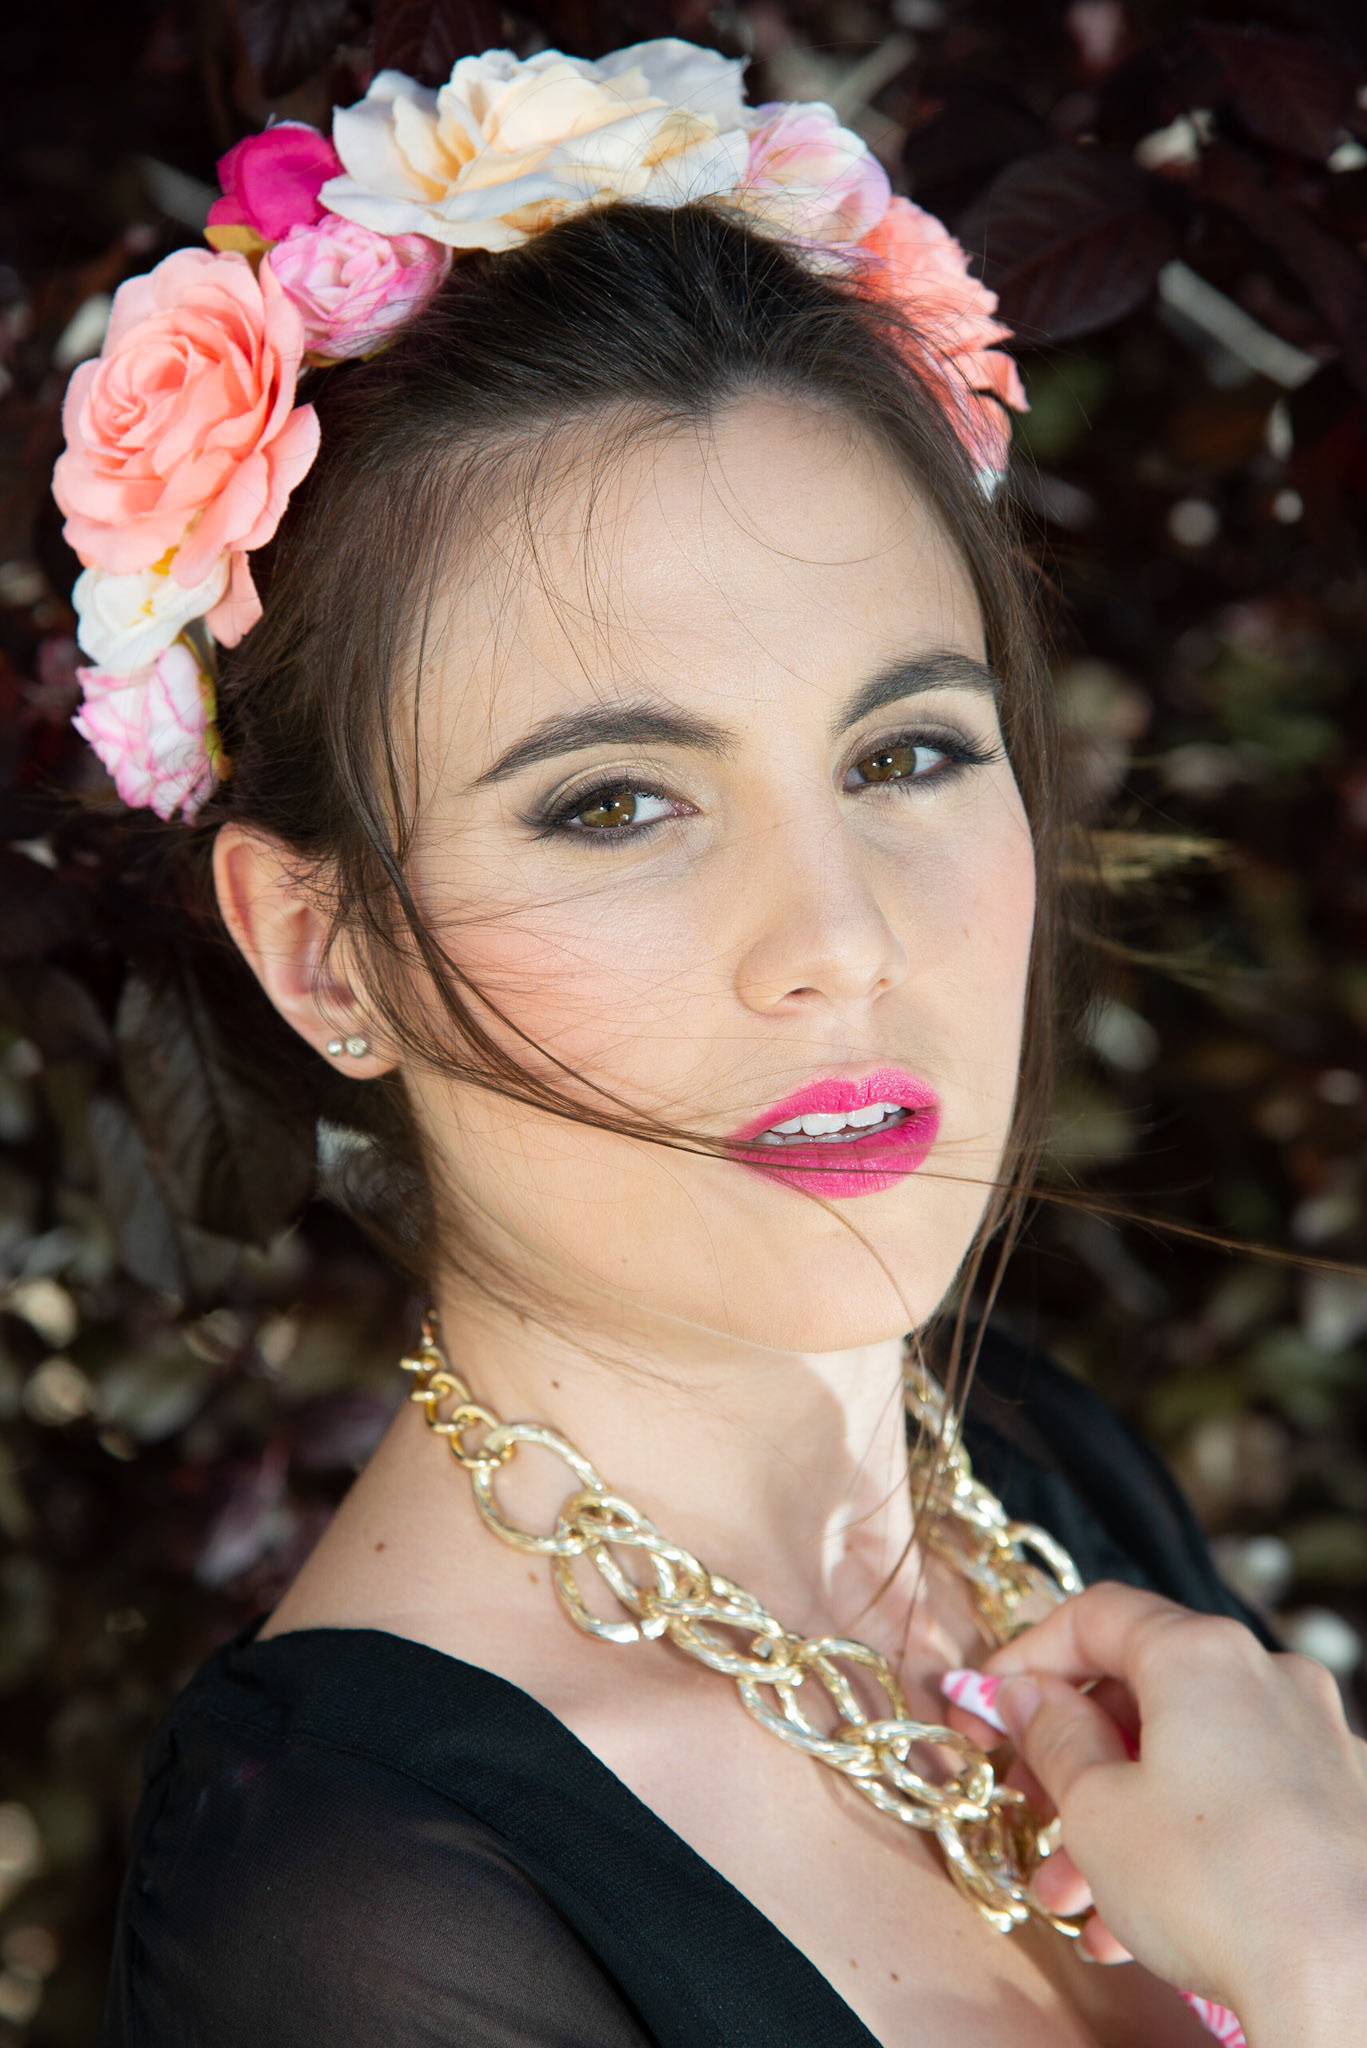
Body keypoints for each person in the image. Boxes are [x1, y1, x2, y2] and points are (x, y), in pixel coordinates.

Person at [56, 39, 1365, 2048]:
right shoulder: (345, 1911)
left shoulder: (1032, 1460)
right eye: (614, 805)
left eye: (906, 753)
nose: (838, 942)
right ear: (326, 957)